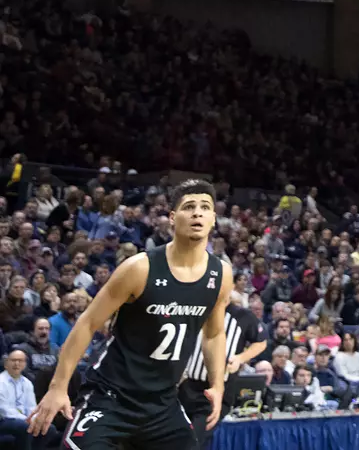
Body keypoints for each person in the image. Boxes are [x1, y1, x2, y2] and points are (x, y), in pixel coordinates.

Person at [28, 182, 231, 450]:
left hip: (162, 402)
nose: (197, 213)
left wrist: (217, 385)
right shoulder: (140, 268)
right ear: (172, 217)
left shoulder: (221, 274)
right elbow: (88, 322)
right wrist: (58, 387)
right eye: (189, 207)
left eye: (205, 207)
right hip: (112, 396)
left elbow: (214, 333)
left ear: (213, 218)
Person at [179, 290, 264, 448]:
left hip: (217, 390)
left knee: (194, 440)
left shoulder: (243, 316)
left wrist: (241, 358)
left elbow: (261, 342)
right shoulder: (197, 309)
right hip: (187, 385)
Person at [0, 349, 36, 450]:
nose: (17, 363)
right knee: (24, 427)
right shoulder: (1, 382)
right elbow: (4, 411)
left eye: (20, 361)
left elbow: (32, 407)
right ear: (6, 363)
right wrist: (27, 420)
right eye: (13, 360)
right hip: (4, 420)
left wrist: (35, 419)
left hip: (23, 420)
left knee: (49, 428)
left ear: (25, 364)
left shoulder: (27, 383)